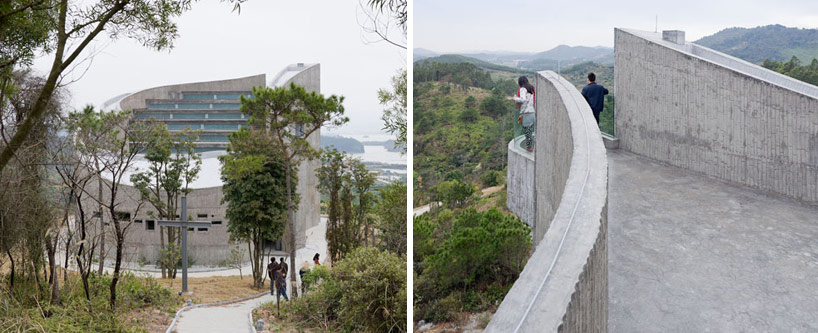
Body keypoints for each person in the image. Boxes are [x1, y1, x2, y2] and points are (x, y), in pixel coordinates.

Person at [513, 76, 536, 152]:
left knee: (527, 131)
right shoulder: (531, 88)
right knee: (531, 130)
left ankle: (529, 147)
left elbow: (523, 100)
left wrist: (515, 98)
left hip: (526, 113)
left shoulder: (523, 89)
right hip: (532, 112)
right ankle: (531, 146)